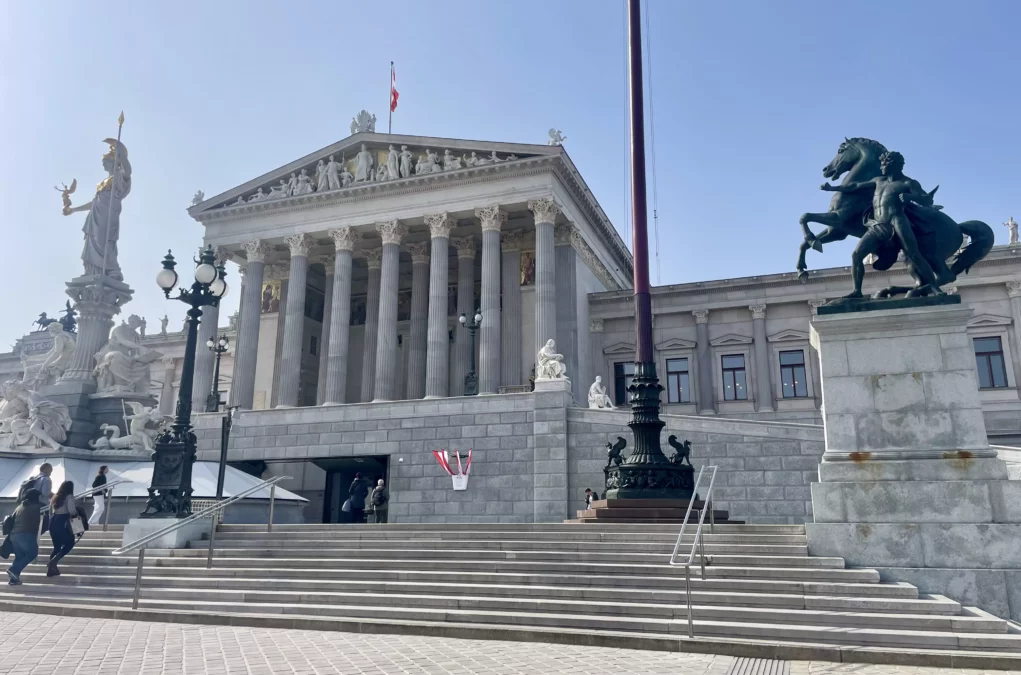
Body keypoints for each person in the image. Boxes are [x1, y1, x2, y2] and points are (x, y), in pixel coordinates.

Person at [5, 488, 42, 585]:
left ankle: (14, 579)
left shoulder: (20, 506)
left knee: (20, 556)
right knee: (32, 553)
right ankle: (13, 569)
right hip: (26, 534)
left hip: (14, 535)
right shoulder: (36, 506)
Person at [47, 481, 81, 577]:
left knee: (57, 547)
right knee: (70, 543)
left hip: (53, 521)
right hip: (64, 522)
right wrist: (78, 524)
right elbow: (72, 511)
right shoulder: (69, 496)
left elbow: (50, 511)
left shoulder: (55, 497)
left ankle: (51, 569)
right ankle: (54, 561)